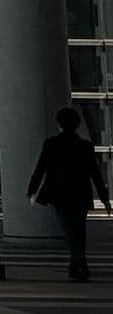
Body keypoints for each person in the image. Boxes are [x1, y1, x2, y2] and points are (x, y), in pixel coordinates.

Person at [27, 106, 111, 283]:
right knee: (79, 230)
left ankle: (80, 264)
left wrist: (32, 190)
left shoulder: (51, 144)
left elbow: (40, 168)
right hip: (81, 194)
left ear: (59, 124)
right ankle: (75, 266)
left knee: (70, 230)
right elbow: (95, 174)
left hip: (61, 194)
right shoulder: (85, 146)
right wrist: (104, 199)